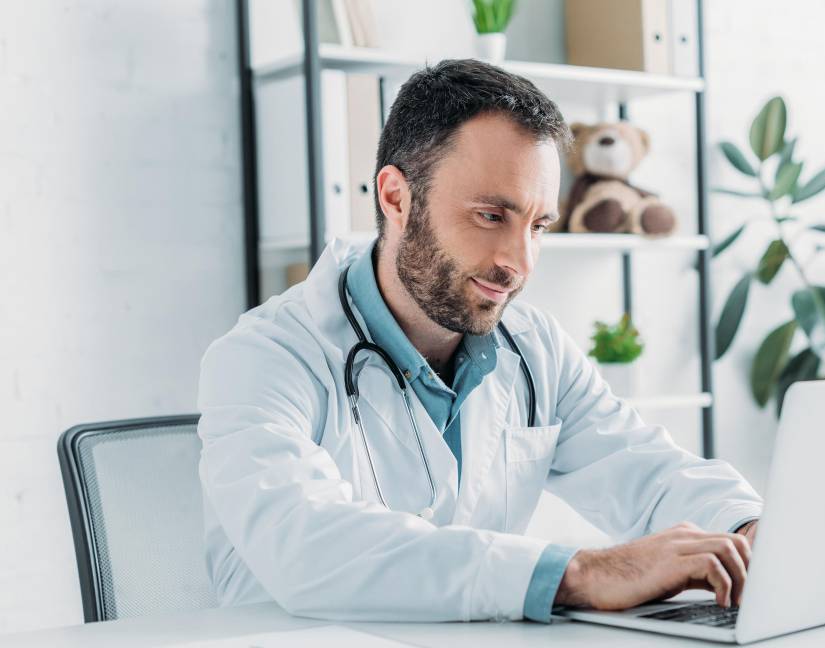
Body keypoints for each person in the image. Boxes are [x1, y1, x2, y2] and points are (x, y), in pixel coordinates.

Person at [197, 58, 762, 623]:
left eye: (538, 226)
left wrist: (746, 531)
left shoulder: (534, 347)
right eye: (491, 215)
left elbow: (646, 469)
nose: (519, 262)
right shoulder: (264, 358)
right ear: (396, 198)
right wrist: (580, 574)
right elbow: (306, 544)